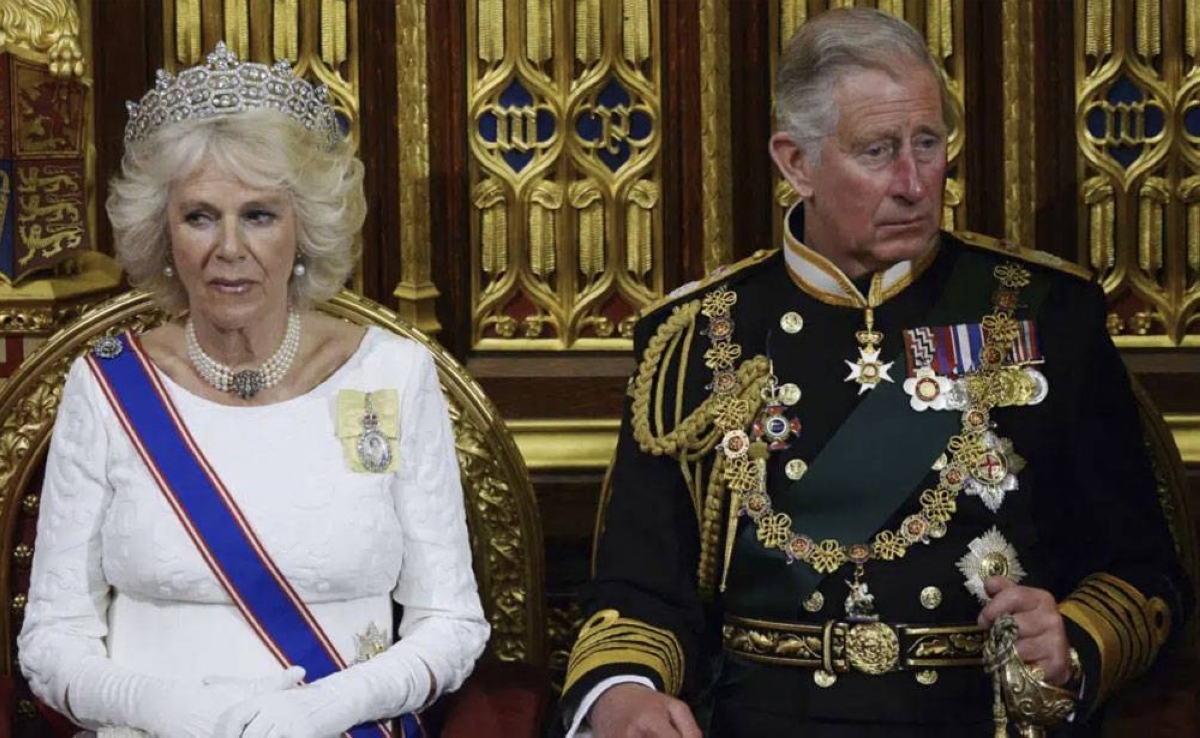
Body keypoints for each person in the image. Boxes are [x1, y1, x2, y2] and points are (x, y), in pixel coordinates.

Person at [556, 8, 1190, 737]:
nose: (915, 183)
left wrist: (1073, 639)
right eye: (879, 150)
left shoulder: (1043, 314)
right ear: (796, 163)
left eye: (928, 144)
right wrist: (623, 695)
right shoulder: (698, 337)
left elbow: (1145, 571)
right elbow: (639, 588)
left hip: (978, 720)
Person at [17, 42, 489, 738]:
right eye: (200, 216)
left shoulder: (393, 375)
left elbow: (451, 623)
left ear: (303, 231)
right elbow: (51, 641)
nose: (228, 248)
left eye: (259, 215)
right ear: (164, 232)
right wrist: (171, 710)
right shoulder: (110, 387)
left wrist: (324, 708)